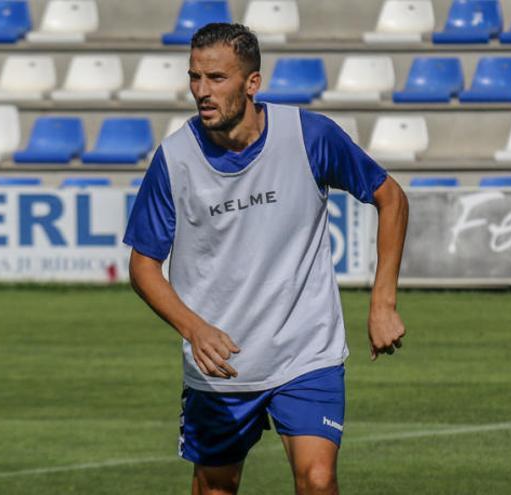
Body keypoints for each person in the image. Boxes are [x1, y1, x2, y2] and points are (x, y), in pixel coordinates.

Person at [124, 22, 409, 495]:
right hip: (222, 364)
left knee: (318, 481)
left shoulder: (308, 136)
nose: (201, 91)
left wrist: (382, 302)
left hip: (306, 350)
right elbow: (143, 265)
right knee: (216, 486)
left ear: (252, 83)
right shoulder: (174, 159)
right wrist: (194, 329)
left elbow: (391, 197)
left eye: (216, 78)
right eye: (195, 77)